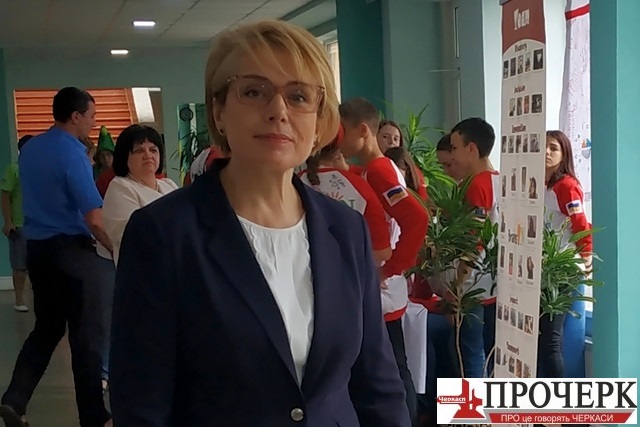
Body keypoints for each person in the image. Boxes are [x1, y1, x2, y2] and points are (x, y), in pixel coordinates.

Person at [109, 20, 410, 426]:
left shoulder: (345, 229)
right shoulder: (163, 233)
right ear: (219, 111)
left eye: (299, 96)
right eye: (254, 91)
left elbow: (378, 386)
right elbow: (142, 404)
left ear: (319, 120)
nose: (278, 112)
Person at [0, 87, 113, 427]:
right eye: (91, 117)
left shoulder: (31, 149)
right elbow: (93, 216)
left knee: (46, 330)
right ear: (76, 116)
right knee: (86, 338)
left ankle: (14, 399)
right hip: (72, 252)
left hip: (38, 251)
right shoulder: (73, 153)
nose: (92, 124)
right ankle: (93, 416)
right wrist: (116, 248)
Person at [340, 97, 429, 426]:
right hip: (377, 280)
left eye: (341, 131)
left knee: (392, 369)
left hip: (383, 283)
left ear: (362, 131)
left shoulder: (379, 170)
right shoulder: (367, 169)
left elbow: (416, 218)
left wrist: (390, 269)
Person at [448, 117, 499, 379]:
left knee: (471, 355)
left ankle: (475, 406)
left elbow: (474, 238)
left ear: (471, 149)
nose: (452, 156)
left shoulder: (478, 184)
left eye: (455, 148)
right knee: (491, 354)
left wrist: (458, 282)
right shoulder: (501, 180)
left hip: (474, 284)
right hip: (496, 282)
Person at [299, 125, 392, 265]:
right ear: (339, 152)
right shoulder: (359, 186)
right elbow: (382, 252)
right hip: (348, 274)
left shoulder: (292, 185)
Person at [541, 130, 592, 378]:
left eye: (553, 148)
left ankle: (557, 401)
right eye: (543, 146)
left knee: (551, 340)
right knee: (543, 338)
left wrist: (587, 256)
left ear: (565, 154)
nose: (547, 152)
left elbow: (581, 224)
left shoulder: (567, 186)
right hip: (544, 268)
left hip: (562, 268)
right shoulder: (542, 185)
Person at [1, 135, 33, 312]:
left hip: (37, 225)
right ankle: (19, 300)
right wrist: (8, 221)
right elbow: (5, 195)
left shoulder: (38, 170)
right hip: (19, 225)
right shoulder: (14, 169)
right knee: (20, 265)